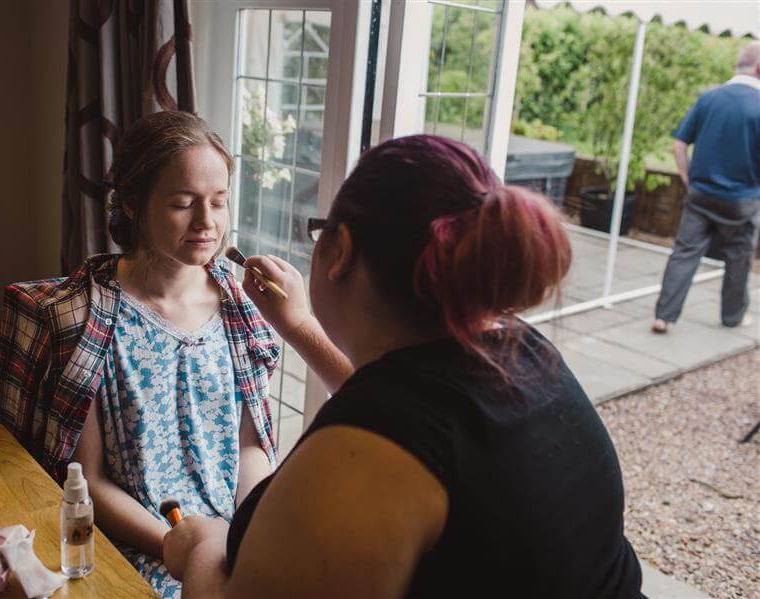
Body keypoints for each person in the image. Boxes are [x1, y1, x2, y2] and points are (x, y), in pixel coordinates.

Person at [162, 135, 645, 598]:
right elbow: (413, 413)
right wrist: (300, 327)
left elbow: (395, 430)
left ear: (342, 249)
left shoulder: (365, 459)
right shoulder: (522, 351)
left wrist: (204, 548)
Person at [0, 111, 351, 597]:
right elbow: (89, 481)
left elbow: (250, 446)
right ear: (134, 205)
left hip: (233, 538)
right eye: (184, 204)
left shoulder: (242, 306)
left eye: (220, 202)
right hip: (142, 547)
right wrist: (176, 544)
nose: (208, 223)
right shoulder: (87, 321)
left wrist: (245, 533)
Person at [653, 41, 760, 333]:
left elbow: (678, 145)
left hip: (700, 195)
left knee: (684, 253)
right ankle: (732, 316)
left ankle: (663, 316)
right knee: (739, 259)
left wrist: (688, 179)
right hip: (742, 200)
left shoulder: (709, 98)